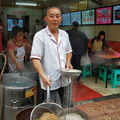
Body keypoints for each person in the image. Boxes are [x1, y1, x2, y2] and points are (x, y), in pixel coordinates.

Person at [30, 7, 73, 106]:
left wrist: (68, 62)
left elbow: (69, 51)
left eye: (57, 16)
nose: (54, 19)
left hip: (65, 78)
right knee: (51, 107)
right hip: (49, 79)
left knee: (67, 104)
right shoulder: (39, 36)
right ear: (46, 19)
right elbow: (35, 58)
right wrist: (43, 76)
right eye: (51, 16)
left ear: (61, 19)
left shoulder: (65, 34)